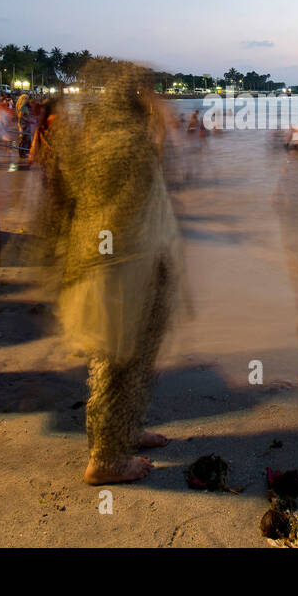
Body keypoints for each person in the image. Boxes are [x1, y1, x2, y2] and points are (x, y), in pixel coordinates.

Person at [51, 63, 183, 484]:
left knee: (133, 361)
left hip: (126, 269)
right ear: (137, 101)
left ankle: (124, 431)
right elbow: (124, 216)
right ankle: (106, 458)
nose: (160, 101)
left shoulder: (109, 139)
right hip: (123, 274)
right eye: (152, 94)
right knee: (118, 361)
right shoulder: (128, 145)